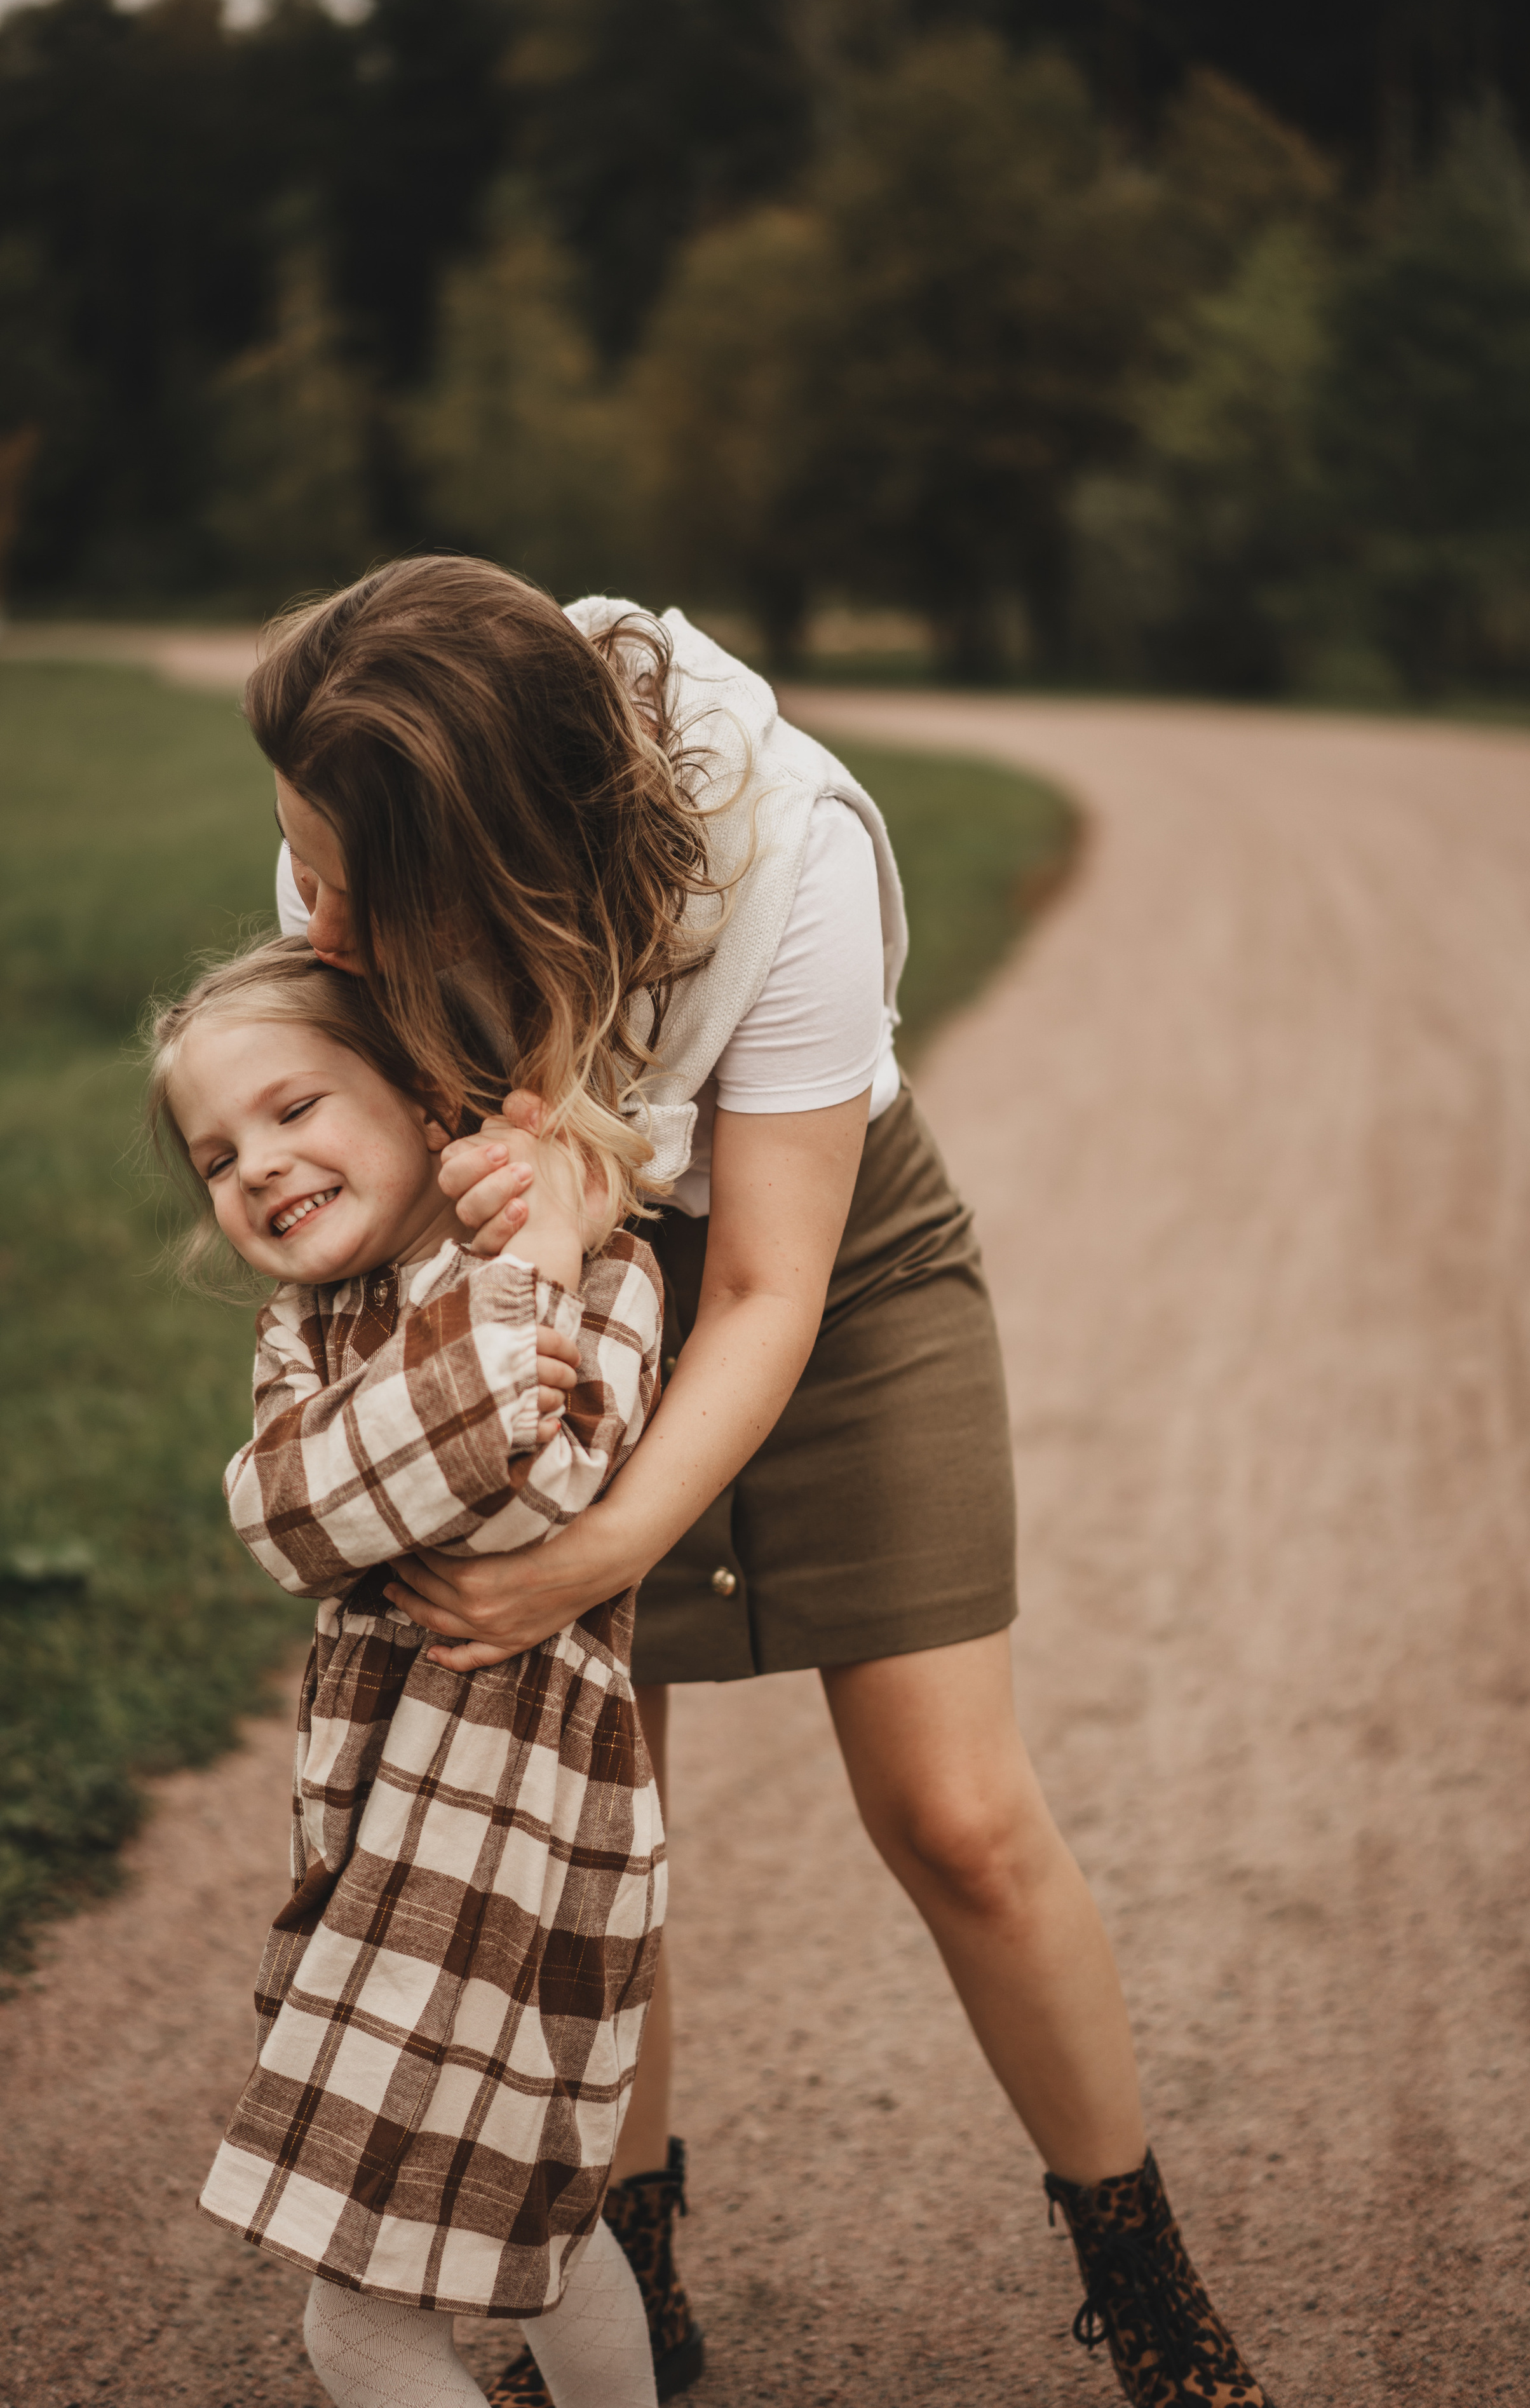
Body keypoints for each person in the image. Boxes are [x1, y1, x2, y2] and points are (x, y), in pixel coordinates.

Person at [257, 555, 1276, 2408]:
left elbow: (769, 1284)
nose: (312, 923)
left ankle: (1150, 2297)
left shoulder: (783, 845)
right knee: (585, 1811)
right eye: (301, 867)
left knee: (955, 1812)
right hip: (560, 1290)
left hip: (833, 1268)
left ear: (496, 853)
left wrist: (592, 1559)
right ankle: (633, 2291)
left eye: (346, 886)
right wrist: (529, 1233)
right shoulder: (359, 858)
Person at [147, 935, 668, 2408]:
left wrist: (535, 1273)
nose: (257, 1164)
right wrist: (502, 1343)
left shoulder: (609, 1273)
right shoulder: (297, 1330)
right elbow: (283, 1515)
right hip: (377, 1859)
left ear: (429, 1101)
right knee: (536, 2245)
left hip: (511, 1856)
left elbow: (534, 1492)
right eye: (217, 1154)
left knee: (373, 2314)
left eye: (296, 1108)